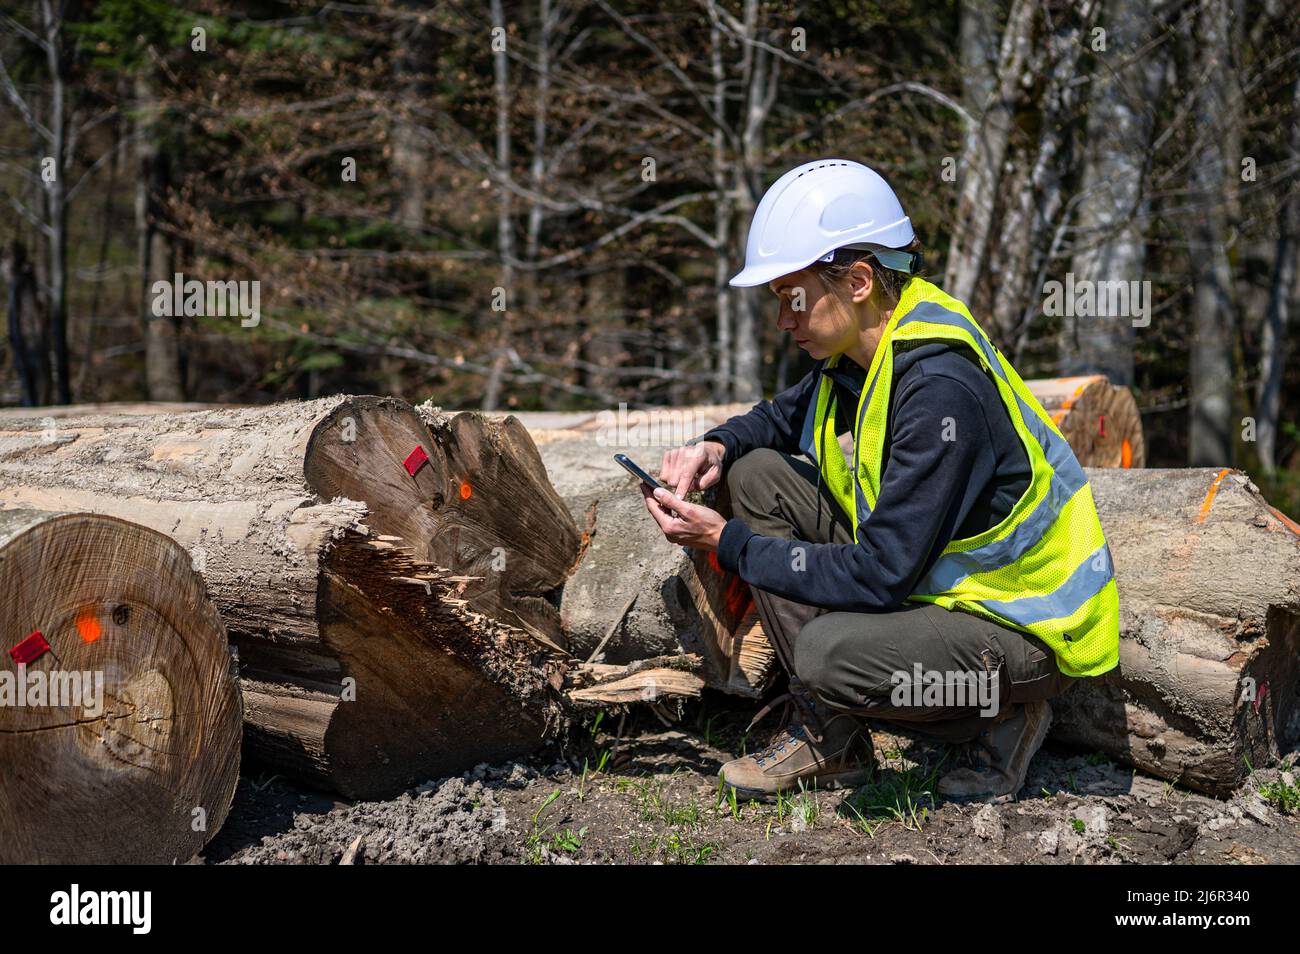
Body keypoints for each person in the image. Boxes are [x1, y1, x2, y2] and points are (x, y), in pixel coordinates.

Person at [640, 158, 1120, 803]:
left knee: (827, 656)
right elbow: (780, 417)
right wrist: (716, 447)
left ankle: (997, 715)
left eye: (794, 298)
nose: (784, 319)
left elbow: (879, 573)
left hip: (1019, 624)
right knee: (755, 475)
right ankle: (831, 738)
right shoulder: (858, 353)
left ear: (859, 280)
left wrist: (728, 542)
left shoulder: (940, 390)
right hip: (937, 583)